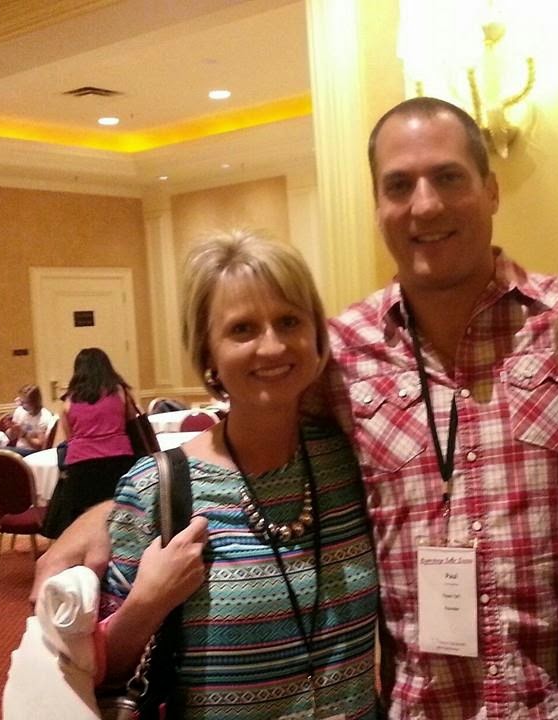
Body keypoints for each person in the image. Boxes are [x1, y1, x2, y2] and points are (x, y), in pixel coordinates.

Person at [33, 99, 558, 719]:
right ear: (377, 205)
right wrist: (111, 507)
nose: (426, 205)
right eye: (399, 185)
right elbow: (252, 441)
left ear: (490, 187)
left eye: (448, 177)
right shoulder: (339, 354)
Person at [98, 231, 378, 718]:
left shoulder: (351, 461)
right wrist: (146, 604)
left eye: (289, 321)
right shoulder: (156, 489)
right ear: (208, 353)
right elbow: (103, 668)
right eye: (243, 329)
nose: (272, 346)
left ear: (315, 333)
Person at [51, 349, 138, 535]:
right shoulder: (120, 392)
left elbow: (69, 438)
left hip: (82, 466)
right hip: (119, 459)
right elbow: (131, 422)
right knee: (120, 512)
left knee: (85, 518)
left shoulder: (68, 400)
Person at [6, 384, 55, 455]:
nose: (21, 405)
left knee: (3, 452)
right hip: (19, 449)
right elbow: (11, 437)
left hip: (34, 453)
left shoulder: (44, 417)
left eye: (25, 402)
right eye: (21, 401)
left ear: (35, 402)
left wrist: (24, 434)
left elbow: (40, 446)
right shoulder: (20, 410)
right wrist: (12, 429)